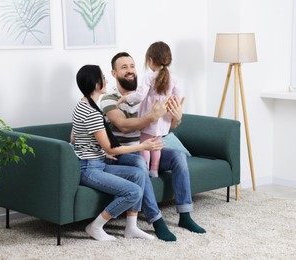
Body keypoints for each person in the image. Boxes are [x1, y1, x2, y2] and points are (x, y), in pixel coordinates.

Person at [100, 51, 206, 242]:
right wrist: (152, 116)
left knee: (178, 156)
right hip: (125, 153)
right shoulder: (109, 99)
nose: (130, 71)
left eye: (132, 66)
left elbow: (166, 127)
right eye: (124, 67)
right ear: (114, 74)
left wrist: (177, 117)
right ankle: (156, 220)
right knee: (141, 163)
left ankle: (185, 215)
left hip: (149, 147)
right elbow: (123, 126)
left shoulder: (147, 95)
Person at [72, 64, 164, 241]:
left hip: (96, 162)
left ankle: (131, 227)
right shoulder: (91, 112)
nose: (106, 80)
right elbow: (111, 148)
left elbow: (75, 136)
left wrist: (98, 152)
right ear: (95, 82)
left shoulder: (84, 105)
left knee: (138, 173)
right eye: (103, 77)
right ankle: (95, 226)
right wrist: (143, 147)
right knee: (134, 192)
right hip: (89, 169)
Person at [116, 41, 181, 178]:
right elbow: (177, 99)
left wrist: (124, 98)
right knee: (156, 144)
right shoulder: (173, 79)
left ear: (150, 60)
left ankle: (145, 170)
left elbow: (140, 96)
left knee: (145, 144)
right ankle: (154, 170)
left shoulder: (149, 77)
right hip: (163, 118)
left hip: (151, 115)